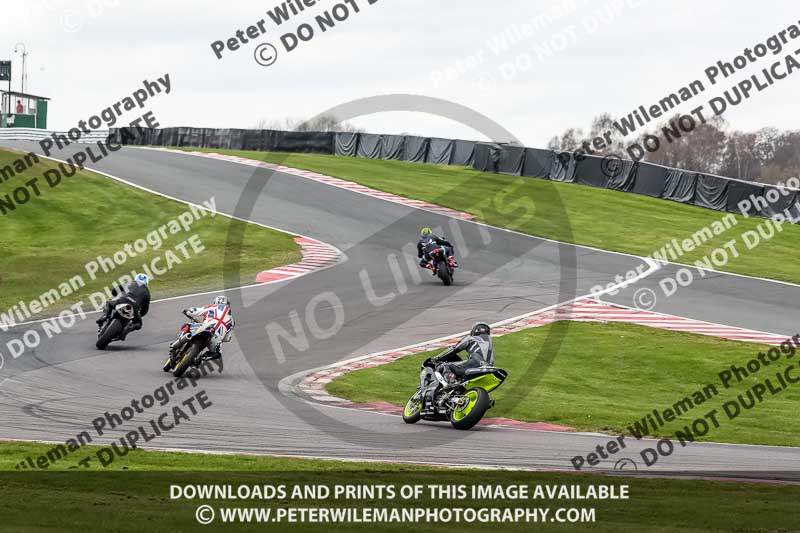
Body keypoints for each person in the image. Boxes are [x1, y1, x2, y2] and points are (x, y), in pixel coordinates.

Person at [424, 322, 494, 406]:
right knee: (461, 374)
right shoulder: (489, 342)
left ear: (474, 330)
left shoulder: (471, 338)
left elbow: (454, 349)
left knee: (445, 366)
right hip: (488, 368)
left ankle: (451, 384)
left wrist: (436, 358)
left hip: (476, 364)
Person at [168, 295, 235, 362]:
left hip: (205, 327)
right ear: (228, 304)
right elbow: (227, 338)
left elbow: (195, 311)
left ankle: (174, 346)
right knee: (217, 354)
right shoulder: (231, 321)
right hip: (215, 338)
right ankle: (200, 359)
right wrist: (219, 337)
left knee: (186, 326)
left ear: (215, 302)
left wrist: (188, 311)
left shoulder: (212, 307)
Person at [96, 273, 151, 340]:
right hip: (134, 307)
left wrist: (115, 293)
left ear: (136, 279)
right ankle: (128, 328)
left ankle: (104, 316)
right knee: (138, 324)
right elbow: (145, 310)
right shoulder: (147, 293)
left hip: (123, 300)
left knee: (109, 303)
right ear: (147, 283)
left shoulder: (131, 283)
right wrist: (139, 315)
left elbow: (116, 289)